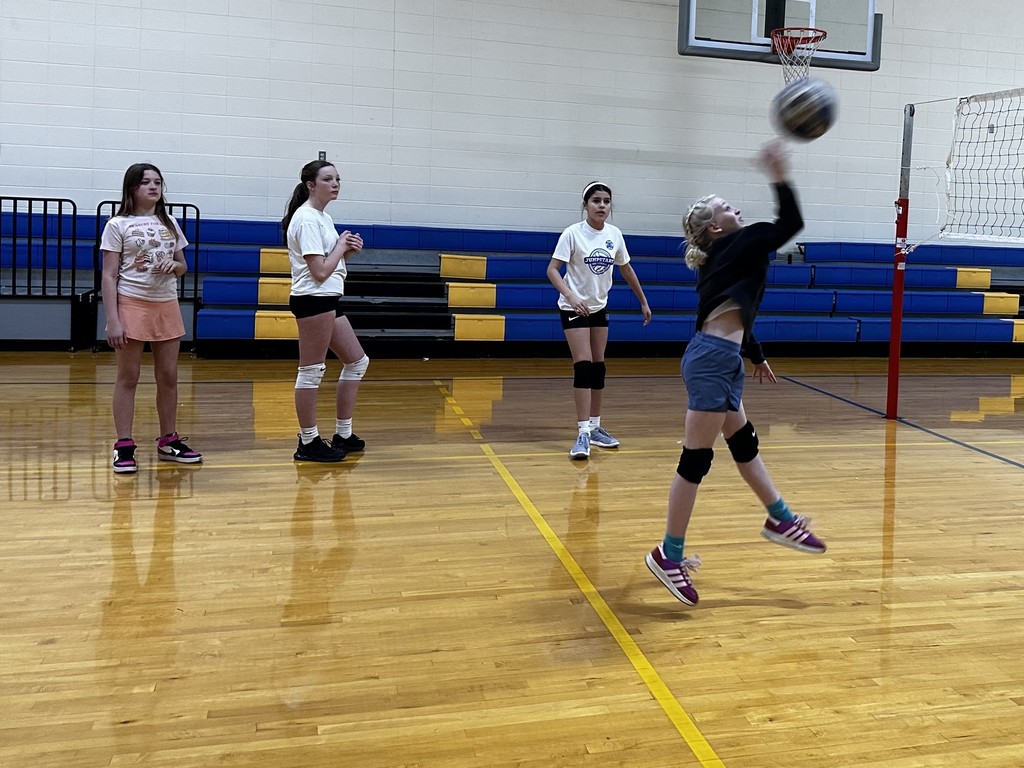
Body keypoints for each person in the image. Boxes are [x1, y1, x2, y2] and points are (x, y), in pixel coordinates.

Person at [646, 141, 827, 606]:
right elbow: (792, 224)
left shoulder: (719, 261)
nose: (736, 208)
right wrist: (779, 173)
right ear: (715, 226)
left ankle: (779, 518)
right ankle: (669, 554)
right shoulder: (740, 243)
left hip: (718, 359)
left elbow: (732, 310)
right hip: (711, 361)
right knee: (695, 461)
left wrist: (754, 353)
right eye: (726, 207)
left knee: (743, 443)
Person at [101, 163, 203, 474]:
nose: (153, 187)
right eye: (145, 182)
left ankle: (168, 440)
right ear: (132, 188)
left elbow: (183, 265)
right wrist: (113, 319)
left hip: (166, 303)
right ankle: (124, 445)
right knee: (128, 377)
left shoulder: (170, 222)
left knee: (169, 376)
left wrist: (175, 266)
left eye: (157, 182)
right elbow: (108, 275)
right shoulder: (118, 224)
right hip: (132, 303)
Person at [547, 181, 652, 460]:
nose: (602, 205)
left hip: (598, 308)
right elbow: (553, 270)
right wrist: (570, 296)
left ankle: (595, 427)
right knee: (583, 366)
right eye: (596, 201)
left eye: (606, 201)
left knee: (598, 366)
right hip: (574, 307)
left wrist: (642, 300)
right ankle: (581, 432)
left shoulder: (614, 235)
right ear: (586, 205)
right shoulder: (572, 234)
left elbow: (626, 268)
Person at [281, 160, 369, 463]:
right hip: (313, 300)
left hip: (327, 299)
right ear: (310, 185)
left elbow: (329, 267)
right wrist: (340, 247)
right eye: (328, 179)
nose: (335, 184)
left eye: (338, 179)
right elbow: (318, 271)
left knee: (357, 361)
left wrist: (345, 251)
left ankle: (343, 433)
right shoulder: (306, 218)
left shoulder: (322, 218)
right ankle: (308, 442)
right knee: (311, 371)